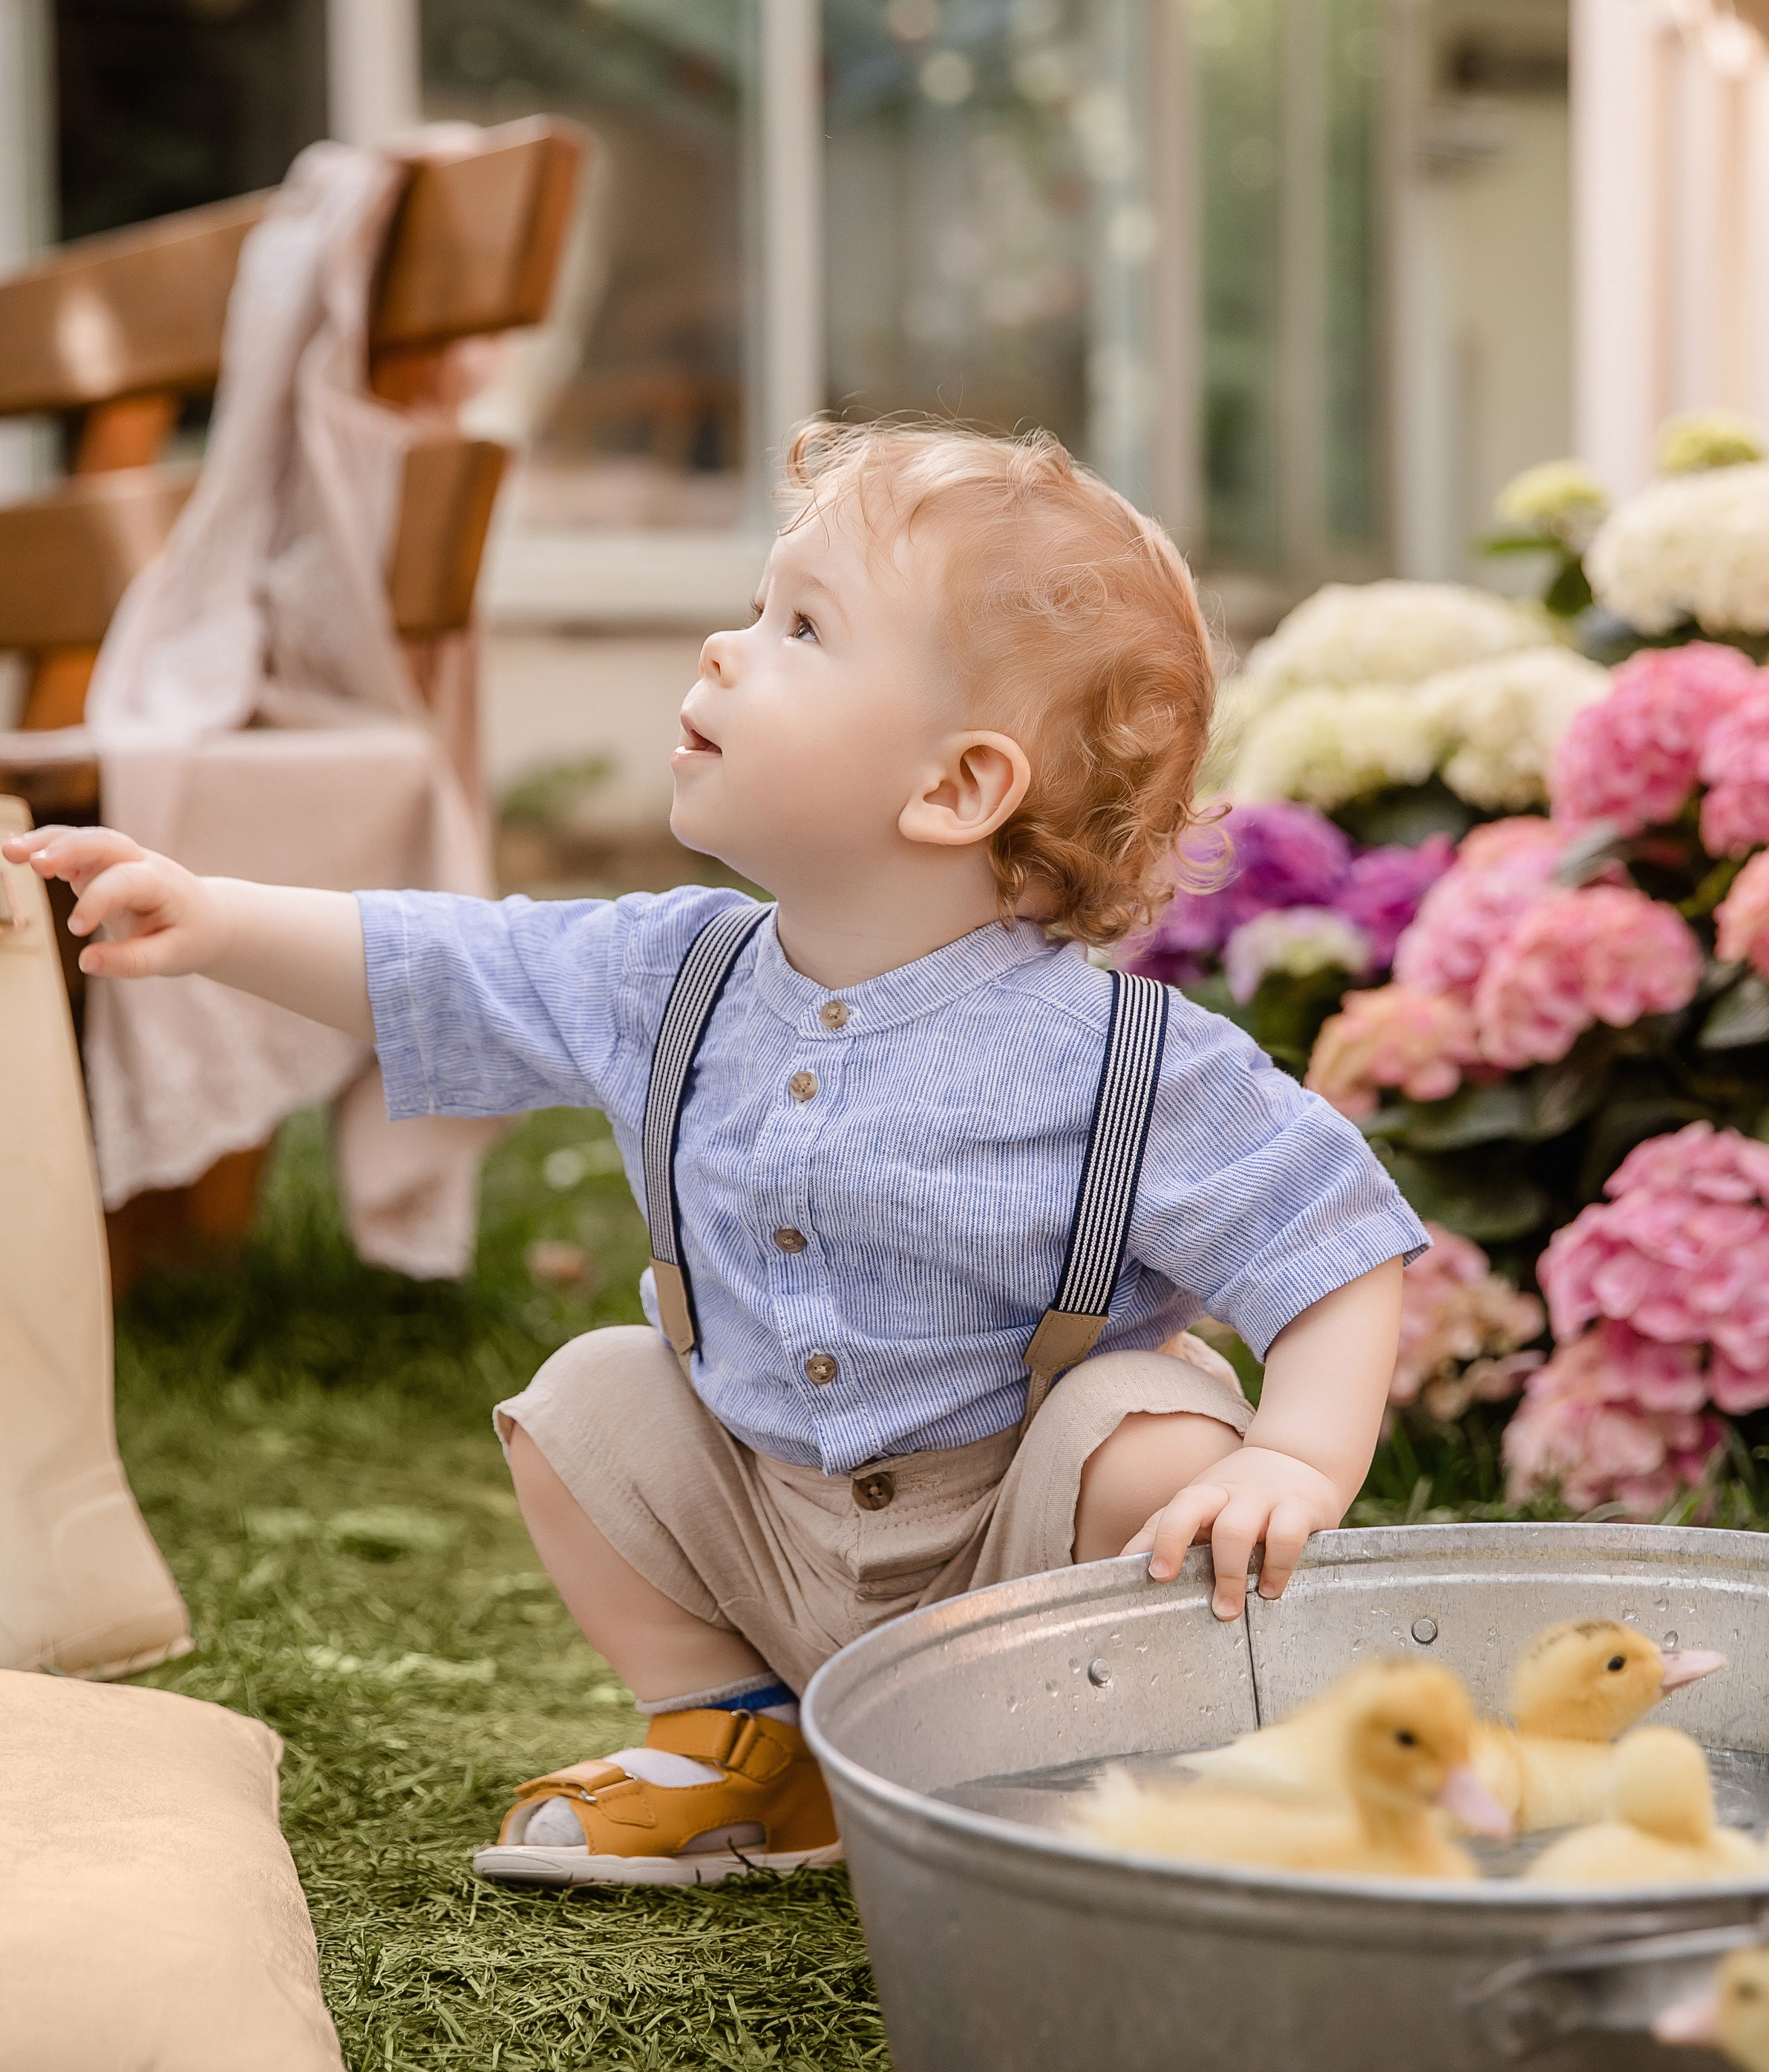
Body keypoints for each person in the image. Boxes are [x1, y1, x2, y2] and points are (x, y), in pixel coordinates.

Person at [9, 422, 1425, 1891]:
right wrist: (218, 921)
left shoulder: (1121, 1059)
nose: (727, 646)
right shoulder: (673, 972)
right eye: (758, 606)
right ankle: (744, 1747)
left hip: (1020, 1551)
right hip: (772, 1525)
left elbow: (1326, 1239)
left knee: (1150, 1430)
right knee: (589, 1398)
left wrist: (1296, 1459)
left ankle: (1114, 1763)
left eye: (802, 626)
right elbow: (451, 962)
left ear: (953, 789)